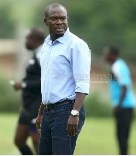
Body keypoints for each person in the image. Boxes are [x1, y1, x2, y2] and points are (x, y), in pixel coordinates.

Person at [35, 3, 91, 155]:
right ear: (45, 21)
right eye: (54, 18)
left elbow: (83, 82)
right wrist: (41, 112)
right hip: (48, 112)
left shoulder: (76, 45)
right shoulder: (47, 46)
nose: (59, 22)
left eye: (63, 18)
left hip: (67, 110)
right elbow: (48, 84)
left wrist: (74, 113)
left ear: (67, 19)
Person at [11, 28, 45, 154]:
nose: (25, 41)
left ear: (35, 40)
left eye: (27, 39)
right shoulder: (35, 54)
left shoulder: (42, 55)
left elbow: (46, 81)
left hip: (36, 106)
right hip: (27, 106)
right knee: (19, 140)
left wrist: (24, 84)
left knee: (37, 142)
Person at [103, 46, 136, 155]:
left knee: (122, 136)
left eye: (106, 54)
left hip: (124, 107)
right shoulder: (119, 64)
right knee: (122, 136)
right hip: (124, 106)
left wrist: (119, 105)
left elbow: (125, 86)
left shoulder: (117, 66)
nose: (105, 56)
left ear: (112, 55)